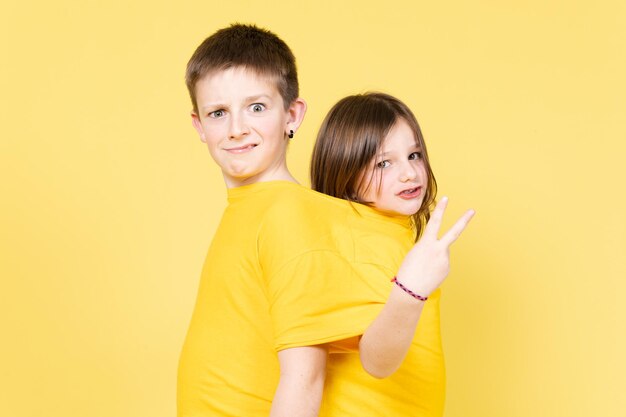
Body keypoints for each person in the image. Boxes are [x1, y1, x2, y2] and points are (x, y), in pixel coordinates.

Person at [310, 92, 474, 416]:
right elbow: (376, 360)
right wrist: (409, 292)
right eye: (384, 163)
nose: (409, 173)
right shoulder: (358, 243)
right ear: (346, 175)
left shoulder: (388, 232)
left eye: (414, 155)